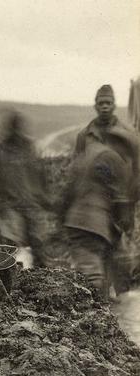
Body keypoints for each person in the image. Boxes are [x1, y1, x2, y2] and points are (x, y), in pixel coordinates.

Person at [74, 84, 139, 290]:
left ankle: (123, 303)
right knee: (98, 253)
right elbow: (77, 169)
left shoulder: (128, 135)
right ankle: (103, 306)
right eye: (101, 103)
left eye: (108, 103)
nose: (104, 106)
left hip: (122, 203)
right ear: (95, 105)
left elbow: (137, 171)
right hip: (94, 204)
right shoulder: (85, 136)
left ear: (114, 105)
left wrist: (131, 201)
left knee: (121, 257)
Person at [0, 110, 52, 266]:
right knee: (9, 248)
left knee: (40, 248)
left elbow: (40, 175)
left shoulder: (29, 148)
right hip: (8, 206)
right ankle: (5, 282)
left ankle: (41, 285)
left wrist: (45, 199)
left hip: (31, 206)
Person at [63, 145, 132, 295]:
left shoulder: (83, 159)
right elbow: (121, 201)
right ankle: (101, 308)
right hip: (97, 224)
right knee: (95, 275)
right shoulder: (114, 160)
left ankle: (101, 307)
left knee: (93, 273)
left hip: (79, 222)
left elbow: (67, 195)